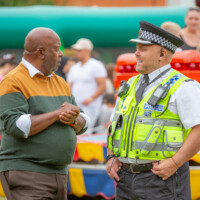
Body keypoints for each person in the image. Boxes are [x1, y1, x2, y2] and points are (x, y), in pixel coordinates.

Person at [106, 21, 200, 200]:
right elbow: (114, 123)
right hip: (125, 178)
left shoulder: (184, 87)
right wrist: (110, 157)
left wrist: (174, 163)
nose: (136, 53)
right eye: (136, 48)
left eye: (143, 48)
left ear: (162, 54)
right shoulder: (129, 85)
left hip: (163, 179)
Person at [0, 27, 90, 200]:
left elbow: (84, 120)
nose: (61, 54)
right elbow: (16, 126)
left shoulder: (59, 81)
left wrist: (73, 119)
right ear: (41, 52)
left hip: (59, 173)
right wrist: (57, 114)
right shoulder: (13, 80)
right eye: (56, 49)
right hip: (27, 172)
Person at [67, 38, 107, 133]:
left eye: (79, 50)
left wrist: (91, 99)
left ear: (87, 51)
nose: (76, 53)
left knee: (85, 131)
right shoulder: (74, 68)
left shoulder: (96, 65)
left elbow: (102, 86)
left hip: (91, 106)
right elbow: (69, 86)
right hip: (75, 106)